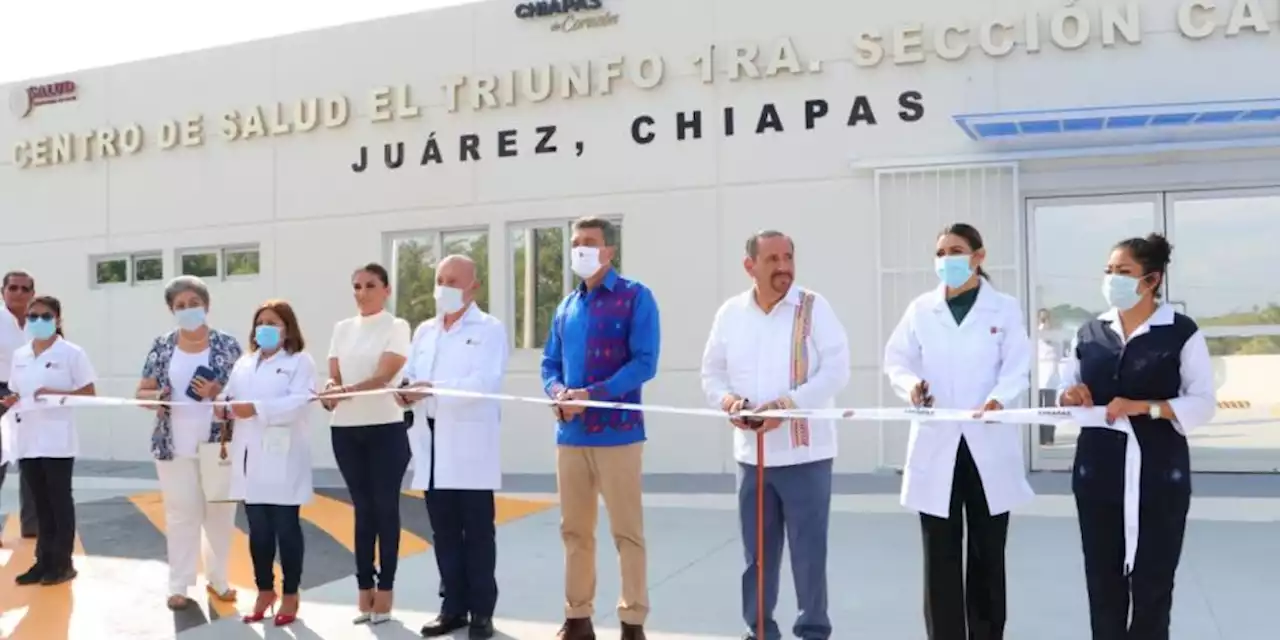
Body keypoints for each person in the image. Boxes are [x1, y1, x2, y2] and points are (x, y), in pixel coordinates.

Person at [1058, 233, 1215, 639]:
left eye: (1124, 272)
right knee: (1103, 586)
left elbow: (1202, 403)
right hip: (1098, 474)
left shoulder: (1180, 332)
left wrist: (1146, 407)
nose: (1113, 279)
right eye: (1109, 271)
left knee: (1153, 585)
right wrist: (1071, 394)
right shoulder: (1089, 333)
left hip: (1159, 474)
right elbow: (1066, 389)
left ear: (1152, 280)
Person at [882, 223, 1033, 640]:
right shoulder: (920, 309)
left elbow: (1018, 365)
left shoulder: (1003, 309)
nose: (947, 259)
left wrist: (999, 398)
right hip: (938, 443)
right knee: (940, 557)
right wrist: (910, 385)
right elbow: (896, 360)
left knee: (987, 555)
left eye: (957, 250)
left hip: (987, 441)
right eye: (941, 252)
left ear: (979, 257)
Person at [700, 230, 850, 640]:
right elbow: (711, 374)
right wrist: (729, 402)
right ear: (750, 266)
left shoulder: (814, 308)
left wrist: (786, 406)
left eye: (788, 257)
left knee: (808, 554)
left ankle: (813, 631)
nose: (783, 267)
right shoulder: (730, 313)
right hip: (752, 456)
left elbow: (836, 371)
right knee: (757, 557)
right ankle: (760, 630)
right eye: (772, 259)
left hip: (807, 456)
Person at [541, 216, 660, 640]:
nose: (580, 251)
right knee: (574, 530)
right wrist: (558, 393)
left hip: (619, 434)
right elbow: (550, 363)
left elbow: (645, 362)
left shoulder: (636, 298)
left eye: (589, 243)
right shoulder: (566, 306)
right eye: (575, 243)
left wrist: (591, 393)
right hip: (570, 436)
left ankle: (632, 622)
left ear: (609, 251)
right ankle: (577, 617)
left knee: (626, 531)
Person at [400, 255, 508, 640]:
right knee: (443, 531)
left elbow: (483, 382)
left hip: (469, 444)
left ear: (472, 287)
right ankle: (453, 607)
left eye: (453, 281)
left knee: (477, 531)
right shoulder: (425, 331)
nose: (443, 287)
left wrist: (433, 390)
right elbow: (412, 374)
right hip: (430, 444)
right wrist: (406, 392)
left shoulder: (489, 329)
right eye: (439, 279)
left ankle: (482, 610)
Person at [137, 275, 244, 610]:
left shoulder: (228, 344)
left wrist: (218, 394)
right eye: (180, 306)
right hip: (174, 445)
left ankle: (219, 579)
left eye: (193, 303)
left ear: (206, 305)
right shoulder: (162, 345)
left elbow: (245, 393)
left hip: (220, 444)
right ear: (171, 310)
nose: (187, 310)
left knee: (220, 513)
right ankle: (179, 584)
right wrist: (159, 396)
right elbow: (141, 392)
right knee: (181, 513)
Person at [316, 263, 412, 624]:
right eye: (356, 285)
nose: (362, 292)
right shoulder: (341, 329)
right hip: (346, 430)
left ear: (386, 290)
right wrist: (330, 391)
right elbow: (334, 377)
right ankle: (364, 592)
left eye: (370, 285)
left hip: (386, 428)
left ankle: (385, 591)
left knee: (385, 508)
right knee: (362, 510)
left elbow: (384, 375)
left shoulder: (397, 326)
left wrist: (345, 392)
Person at [218, 300, 315, 627]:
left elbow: (299, 402)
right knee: (258, 530)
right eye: (260, 322)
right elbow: (229, 397)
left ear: (287, 328)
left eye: (272, 322)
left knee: (286, 529)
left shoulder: (300, 362)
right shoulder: (244, 363)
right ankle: (264, 590)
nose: (264, 328)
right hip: (250, 458)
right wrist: (222, 406)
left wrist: (256, 408)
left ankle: (290, 593)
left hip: (283, 455)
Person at [2, 296, 96, 585]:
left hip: (57, 440)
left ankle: (63, 563)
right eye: (33, 316)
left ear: (57, 319)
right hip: (27, 439)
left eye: (45, 316)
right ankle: (42, 562)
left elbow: (89, 393)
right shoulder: (21, 356)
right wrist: (11, 400)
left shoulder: (71, 353)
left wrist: (55, 393)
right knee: (40, 504)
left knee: (59, 502)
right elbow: (17, 392)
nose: (38, 321)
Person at [0, 271, 39, 541]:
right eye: (13, 287)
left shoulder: (39, 322)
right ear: (3, 291)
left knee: (34, 458)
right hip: (2, 391)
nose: (19, 293)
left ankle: (33, 526)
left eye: (25, 289)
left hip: (32, 394)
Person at [1036, 308, 1063, 446]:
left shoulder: (1054, 337)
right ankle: (1039, 437)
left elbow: (1058, 353)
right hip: (1038, 377)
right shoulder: (1035, 337)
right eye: (1042, 319)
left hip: (1051, 377)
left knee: (1050, 408)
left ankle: (1049, 437)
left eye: (1046, 319)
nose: (1044, 322)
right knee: (1039, 407)